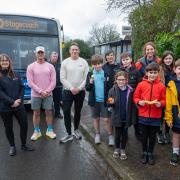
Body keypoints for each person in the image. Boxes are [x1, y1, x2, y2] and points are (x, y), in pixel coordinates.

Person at [0, 54, 34, 156]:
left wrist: (20, 99)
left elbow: (22, 87)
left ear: (9, 62)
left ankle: (23, 144)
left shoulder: (15, 74)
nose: (4, 62)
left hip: (19, 105)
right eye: (2, 61)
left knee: (24, 124)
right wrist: (12, 102)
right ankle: (12, 146)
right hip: (5, 107)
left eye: (6, 60)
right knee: (8, 127)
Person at [133, 63, 166, 165]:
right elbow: (135, 97)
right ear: (146, 73)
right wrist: (139, 102)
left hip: (155, 117)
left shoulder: (161, 86)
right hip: (143, 115)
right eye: (150, 72)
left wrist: (160, 104)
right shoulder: (141, 84)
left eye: (154, 73)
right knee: (144, 136)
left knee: (152, 137)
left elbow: (165, 100)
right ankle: (144, 152)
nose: (152, 75)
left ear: (158, 73)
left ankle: (150, 153)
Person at [60, 42, 89, 143]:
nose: (74, 51)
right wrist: (72, 88)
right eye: (73, 49)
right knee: (66, 111)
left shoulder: (84, 62)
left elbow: (87, 78)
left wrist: (79, 88)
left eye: (76, 49)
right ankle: (68, 133)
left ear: (79, 51)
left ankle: (76, 129)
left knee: (77, 111)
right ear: (70, 51)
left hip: (80, 92)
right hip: (68, 91)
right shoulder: (65, 62)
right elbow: (62, 78)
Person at [27, 46, 56, 141]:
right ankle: (36, 131)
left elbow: (53, 81)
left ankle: (50, 130)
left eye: (42, 52)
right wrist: (40, 91)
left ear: (44, 54)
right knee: (36, 113)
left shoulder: (50, 66)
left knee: (48, 112)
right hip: (36, 95)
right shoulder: (31, 66)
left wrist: (46, 91)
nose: (40, 54)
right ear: (36, 54)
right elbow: (30, 82)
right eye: (38, 52)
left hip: (48, 94)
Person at [86, 54, 114, 145]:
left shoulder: (106, 73)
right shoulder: (90, 74)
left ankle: (110, 135)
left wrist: (110, 102)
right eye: (95, 64)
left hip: (105, 101)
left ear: (102, 63)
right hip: (94, 101)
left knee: (107, 119)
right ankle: (97, 134)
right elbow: (87, 89)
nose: (97, 66)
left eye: (99, 64)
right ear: (92, 65)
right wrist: (90, 83)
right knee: (96, 118)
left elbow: (111, 89)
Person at [108, 71, 135, 160]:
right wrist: (111, 103)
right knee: (117, 134)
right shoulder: (112, 90)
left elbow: (132, 105)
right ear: (116, 80)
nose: (121, 81)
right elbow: (109, 103)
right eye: (119, 80)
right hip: (117, 117)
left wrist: (132, 117)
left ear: (126, 80)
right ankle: (116, 149)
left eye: (123, 80)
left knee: (124, 134)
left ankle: (122, 149)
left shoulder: (130, 90)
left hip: (126, 117)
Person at [119, 52, 142, 139]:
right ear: (121, 61)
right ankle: (124, 135)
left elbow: (140, 85)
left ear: (131, 60)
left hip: (134, 98)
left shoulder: (136, 71)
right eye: (123, 60)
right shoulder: (120, 71)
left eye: (127, 59)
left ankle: (137, 133)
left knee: (135, 117)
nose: (125, 61)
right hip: (124, 98)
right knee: (125, 116)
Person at [164, 59, 180, 166]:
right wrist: (168, 117)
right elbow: (168, 103)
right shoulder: (171, 84)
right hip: (175, 112)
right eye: (179, 68)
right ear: (175, 69)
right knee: (176, 134)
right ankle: (175, 152)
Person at [157, 51, 175, 144]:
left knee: (169, 114)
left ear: (172, 59)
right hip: (163, 94)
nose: (168, 60)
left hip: (172, 96)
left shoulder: (175, 69)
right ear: (163, 59)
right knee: (161, 115)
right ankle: (159, 133)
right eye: (166, 58)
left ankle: (167, 132)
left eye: (170, 58)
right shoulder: (160, 69)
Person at [49, 51, 63, 119]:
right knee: (48, 101)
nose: (55, 58)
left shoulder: (60, 65)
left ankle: (57, 113)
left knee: (57, 101)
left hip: (58, 86)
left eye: (56, 57)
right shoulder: (47, 65)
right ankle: (49, 114)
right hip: (49, 87)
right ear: (50, 57)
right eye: (53, 56)